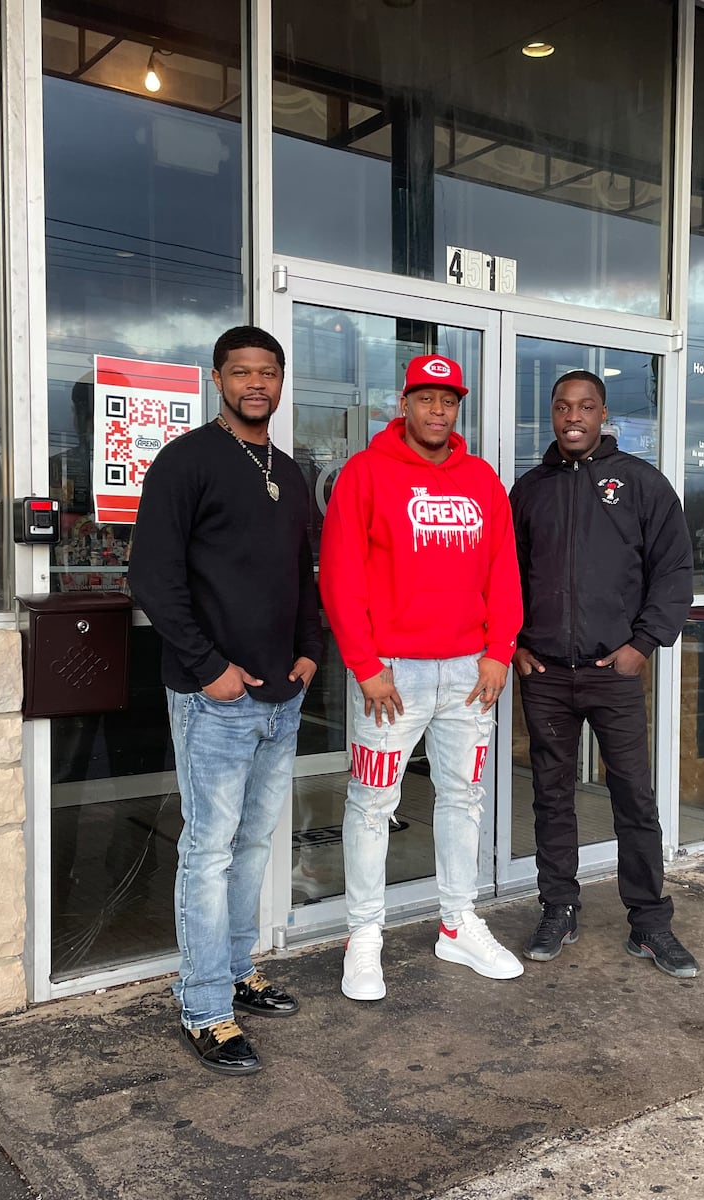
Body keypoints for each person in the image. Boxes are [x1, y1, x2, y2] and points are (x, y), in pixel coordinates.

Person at [128, 325, 323, 1075]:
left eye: (267, 372)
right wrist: (210, 667)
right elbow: (153, 579)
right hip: (216, 698)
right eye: (241, 372)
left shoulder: (290, 470)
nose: (255, 384)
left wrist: (310, 651)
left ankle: (239, 972)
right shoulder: (185, 462)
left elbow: (303, 574)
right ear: (218, 379)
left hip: (282, 694)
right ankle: (204, 1006)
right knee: (208, 851)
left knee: (250, 845)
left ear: (280, 381)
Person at [319, 353, 524, 1002]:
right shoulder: (366, 474)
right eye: (426, 399)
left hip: (469, 675)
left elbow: (504, 572)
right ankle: (364, 937)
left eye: (449, 400)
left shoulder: (482, 481)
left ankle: (457, 924)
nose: (438, 411)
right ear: (402, 404)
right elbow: (341, 576)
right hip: (392, 678)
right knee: (373, 802)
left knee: (463, 798)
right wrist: (365, 665)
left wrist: (499, 651)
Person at [509, 369, 699, 977]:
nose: (572, 417)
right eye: (562, 407)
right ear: (552, 415)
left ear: (602, 414)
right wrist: (514, 644)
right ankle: (558, 908)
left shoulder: (642, 484)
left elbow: (673, 573)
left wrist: (641, 646)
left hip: (612, 673)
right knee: (551, 797)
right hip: (545, 675)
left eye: (584, 407)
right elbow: (504, 578)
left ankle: (648, 923)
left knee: (634, 799)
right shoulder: (529, 490)